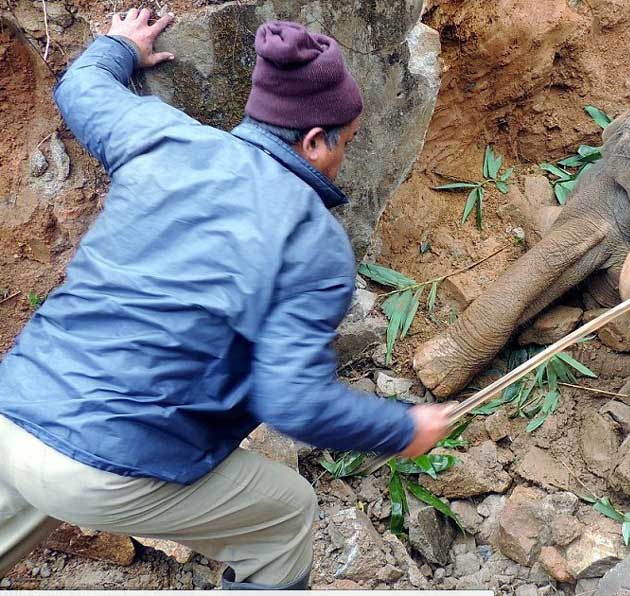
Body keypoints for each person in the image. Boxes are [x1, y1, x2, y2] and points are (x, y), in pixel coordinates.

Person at [0, 9, 451, 590]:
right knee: (286, 512)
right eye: (348, 142)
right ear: (315, 141)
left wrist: (118, 46)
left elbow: (81, 86)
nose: (345, 157)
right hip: (107, 465)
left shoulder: (159, 135)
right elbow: (292, 402)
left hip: (15, 410)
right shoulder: (312, 242)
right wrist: (401, 430)